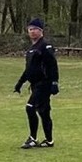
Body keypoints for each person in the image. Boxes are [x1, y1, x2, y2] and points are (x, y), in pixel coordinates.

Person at [14, 18, 59, 148]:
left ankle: (32, 138)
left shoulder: (45, 46)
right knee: (44, 111)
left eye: (36, 29)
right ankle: (49, 140)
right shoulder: (31, 49)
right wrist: (20, 83)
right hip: (35, 85)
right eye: (31, 29)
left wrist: (54, 82)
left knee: (30, 107)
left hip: (44, 84)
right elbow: (29, 69)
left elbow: (52, 65)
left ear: (41, 31)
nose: (33, 31)